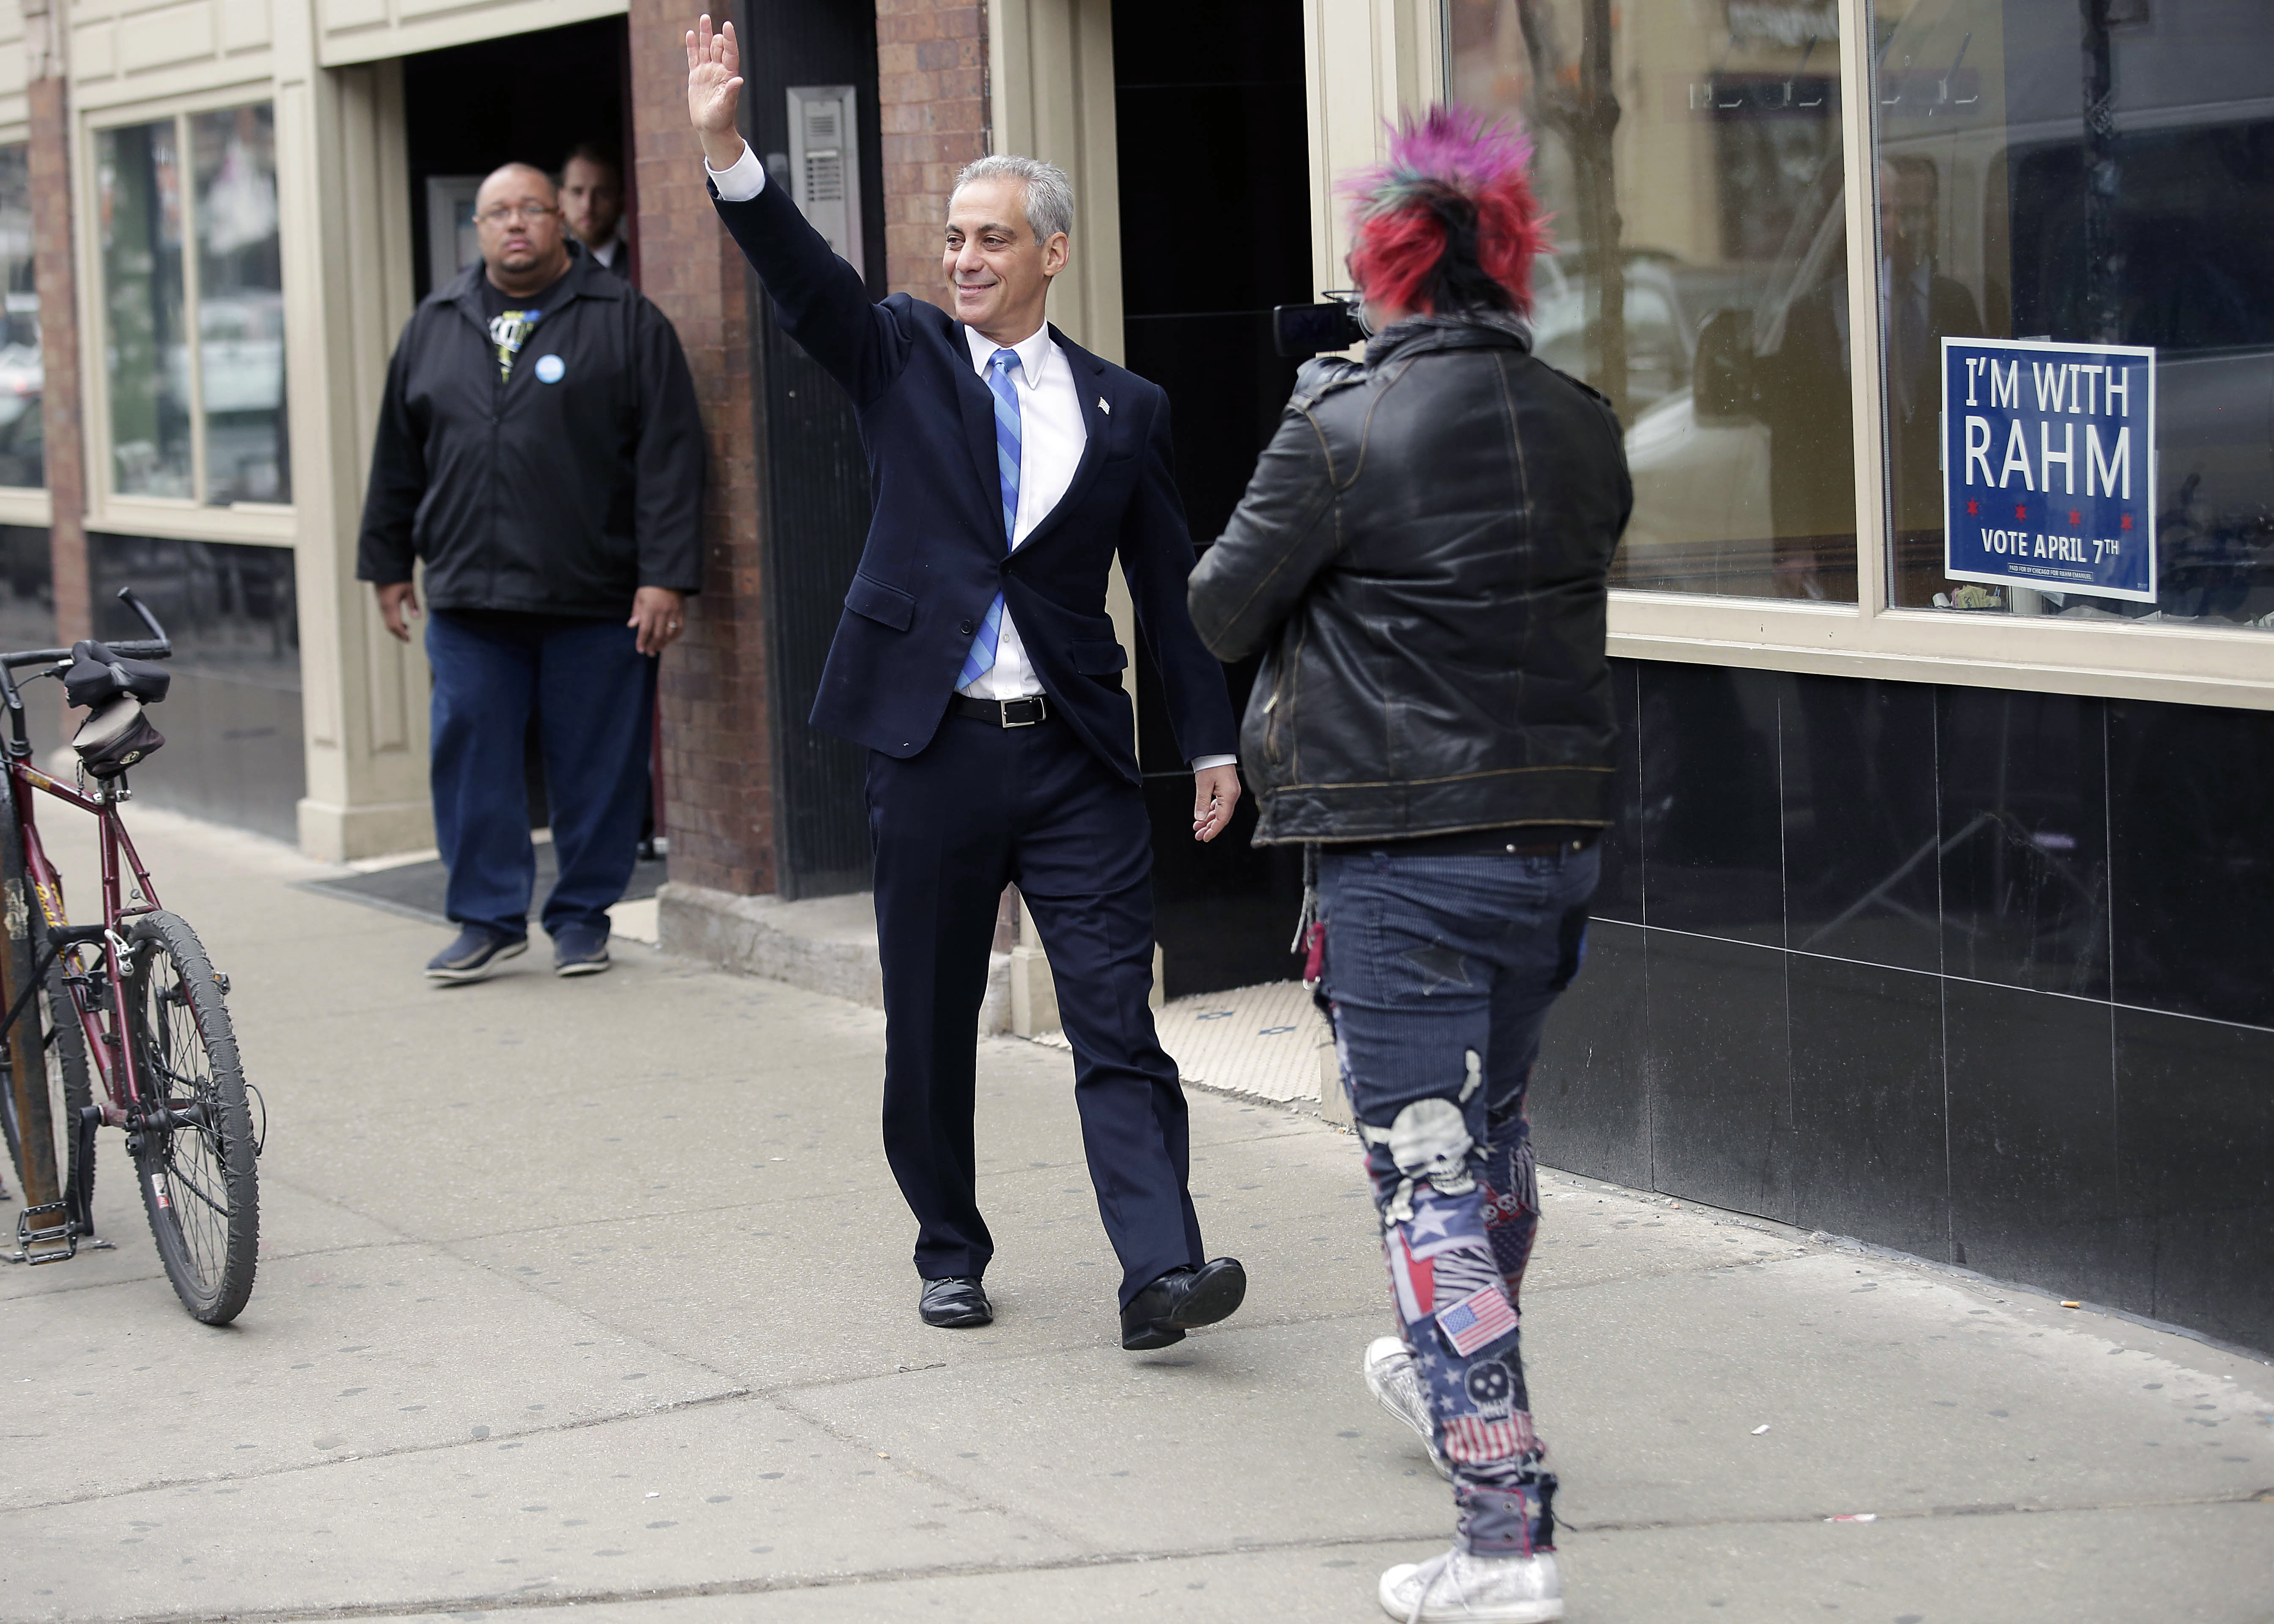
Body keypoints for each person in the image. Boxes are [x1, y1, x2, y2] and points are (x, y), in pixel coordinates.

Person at [684, 16, 1249, 1348]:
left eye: (992, 239)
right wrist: (726, 149)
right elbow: (803, 279)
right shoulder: (900, 353)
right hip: (930, 744)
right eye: (953, 239)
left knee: (1115, 1016)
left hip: (1073, 757)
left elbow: (1170, 589)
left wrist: (1211, 741)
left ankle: (1158, 1271)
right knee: (932, 1022)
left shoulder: (1125, 409)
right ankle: (949, 1245)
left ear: (1053, 251)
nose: (965, 260)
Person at [1187, 108, 1630, 1624]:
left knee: (1425, 1185)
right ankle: (1444, 1370)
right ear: (1507, 261)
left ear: (1385, 266)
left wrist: (1317, 407)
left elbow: (1219, 606)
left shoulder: (1341, 421)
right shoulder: (1582, 420)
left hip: (1401, 862)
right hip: (1550, 850)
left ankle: (1503, 1539)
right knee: (1490, 1138)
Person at [358, 162, 704, 983]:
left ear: (562, 221)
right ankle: (487, 919)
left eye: (531, 209)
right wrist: (387, 562)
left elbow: (671, 459)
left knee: (598, 767)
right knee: (470, 760)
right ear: (478, 229)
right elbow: (399, 457)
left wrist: (665, 577)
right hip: (470, 597)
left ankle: (583, 918)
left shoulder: (626, 319)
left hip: (596, 595)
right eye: (498, 213)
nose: (515, 224)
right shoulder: (436, 322)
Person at [560, 141, 629, 274]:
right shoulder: (545, 273)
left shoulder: (641, 270)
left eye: (601, 194)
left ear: (621, 201)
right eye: (577, 192)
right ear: (561, 199)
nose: (588, 206)